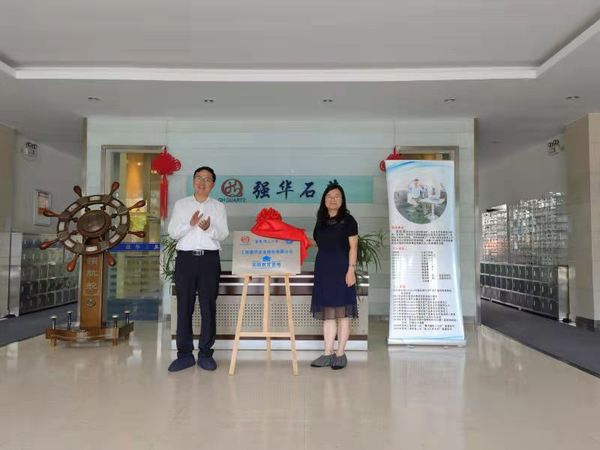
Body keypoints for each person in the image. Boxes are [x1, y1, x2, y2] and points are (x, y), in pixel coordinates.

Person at [167, 166, 229, 372]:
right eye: (199, 178)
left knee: (207, 306)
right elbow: (173, 232)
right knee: (184, 306)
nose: (202, 182)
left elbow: (223, 234)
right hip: (186, 259)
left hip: (209, 260)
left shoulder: (218, 206)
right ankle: (184, 355)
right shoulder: (181, 205)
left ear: (213, 184)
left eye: (207, 179)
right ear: (193, 181)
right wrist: (190, 224)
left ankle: (205, 354)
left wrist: (208, 228)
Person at [310, 183, 358, 370]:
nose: (333, 199)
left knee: (343, 314)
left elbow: (353, 247)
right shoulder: (320, 221)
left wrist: (351, 270)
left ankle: (340, 353)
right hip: (323, 269)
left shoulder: (348, 220)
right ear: (324, 200)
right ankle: (327, 353)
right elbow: (319, 243)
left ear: (342, 199)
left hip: (342, 270)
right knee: (328, 314)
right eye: (329, 196)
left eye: (337, 196)